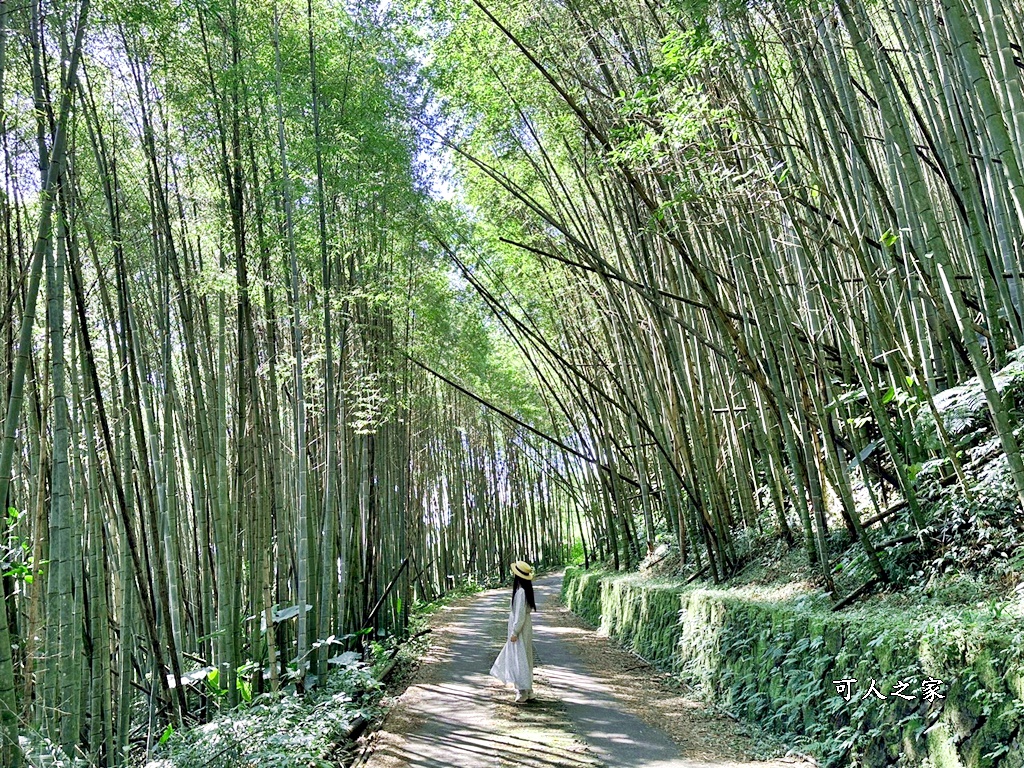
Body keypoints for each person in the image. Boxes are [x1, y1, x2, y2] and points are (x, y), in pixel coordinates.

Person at [489, 560, 536, 702]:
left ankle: (523, 691)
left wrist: (515, 632)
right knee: (524, 657)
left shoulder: (520, 592)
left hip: (520, 628)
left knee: (519, 658)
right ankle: (528, 689)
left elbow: (520, 614)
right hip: (525, 627)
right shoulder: (525, 590)